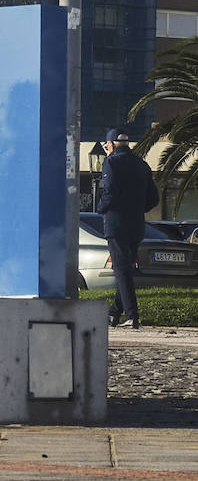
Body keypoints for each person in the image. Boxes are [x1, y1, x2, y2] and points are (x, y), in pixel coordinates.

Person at [96, 127, 160, 330]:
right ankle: (115, 312)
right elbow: (154, 198)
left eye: (107, 145)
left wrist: (101, 209)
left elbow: (110, 192)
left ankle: (132, 316)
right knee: (125, 269)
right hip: (137, 226)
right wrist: (137, 209)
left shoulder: (111, 162)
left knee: (122, 270)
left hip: (116, 224)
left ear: (112, 144)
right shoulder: (142, 164)